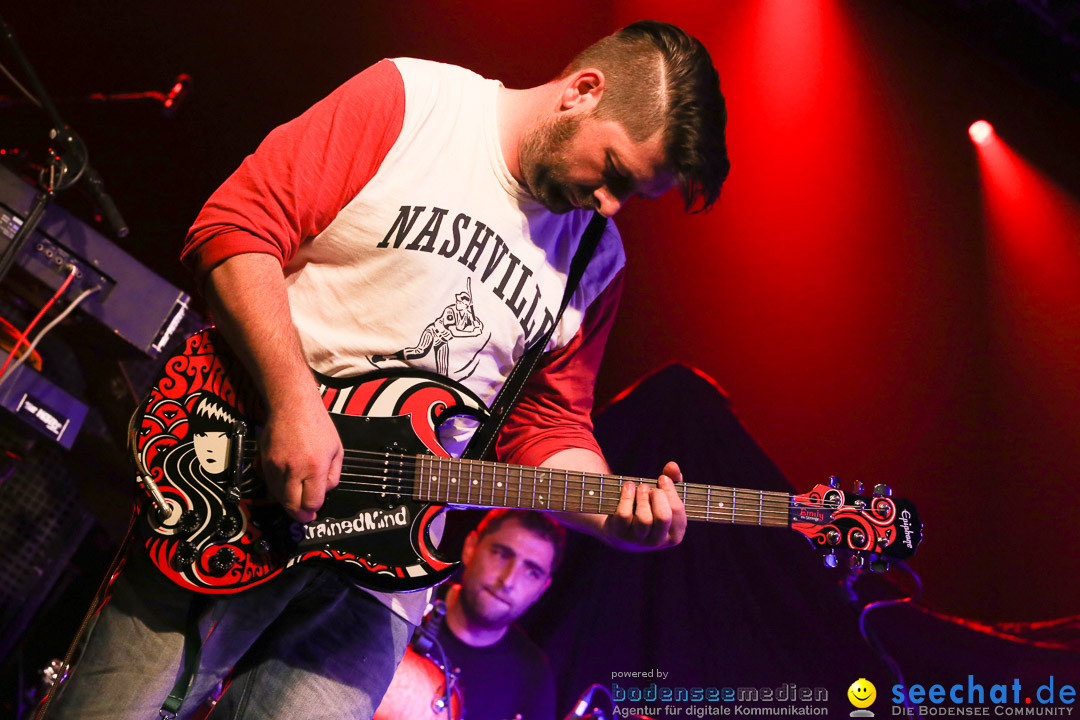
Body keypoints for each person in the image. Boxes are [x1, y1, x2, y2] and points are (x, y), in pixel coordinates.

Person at [40, 19, 729, 720]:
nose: (611, 205)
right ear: (583, 91)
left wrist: (608, 511)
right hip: (243, 497)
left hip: (384, 575)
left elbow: (547, 422)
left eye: (632, 196)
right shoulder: (413, 102)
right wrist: (293, 401)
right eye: (613, 173)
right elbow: (236, 228)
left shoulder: (598, 259)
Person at [432, 510, 567, 720]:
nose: (508, 581)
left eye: (532, 572)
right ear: (470, 547)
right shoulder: (405, 607)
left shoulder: (533, 677)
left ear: (542, 589)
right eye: (501, 554)